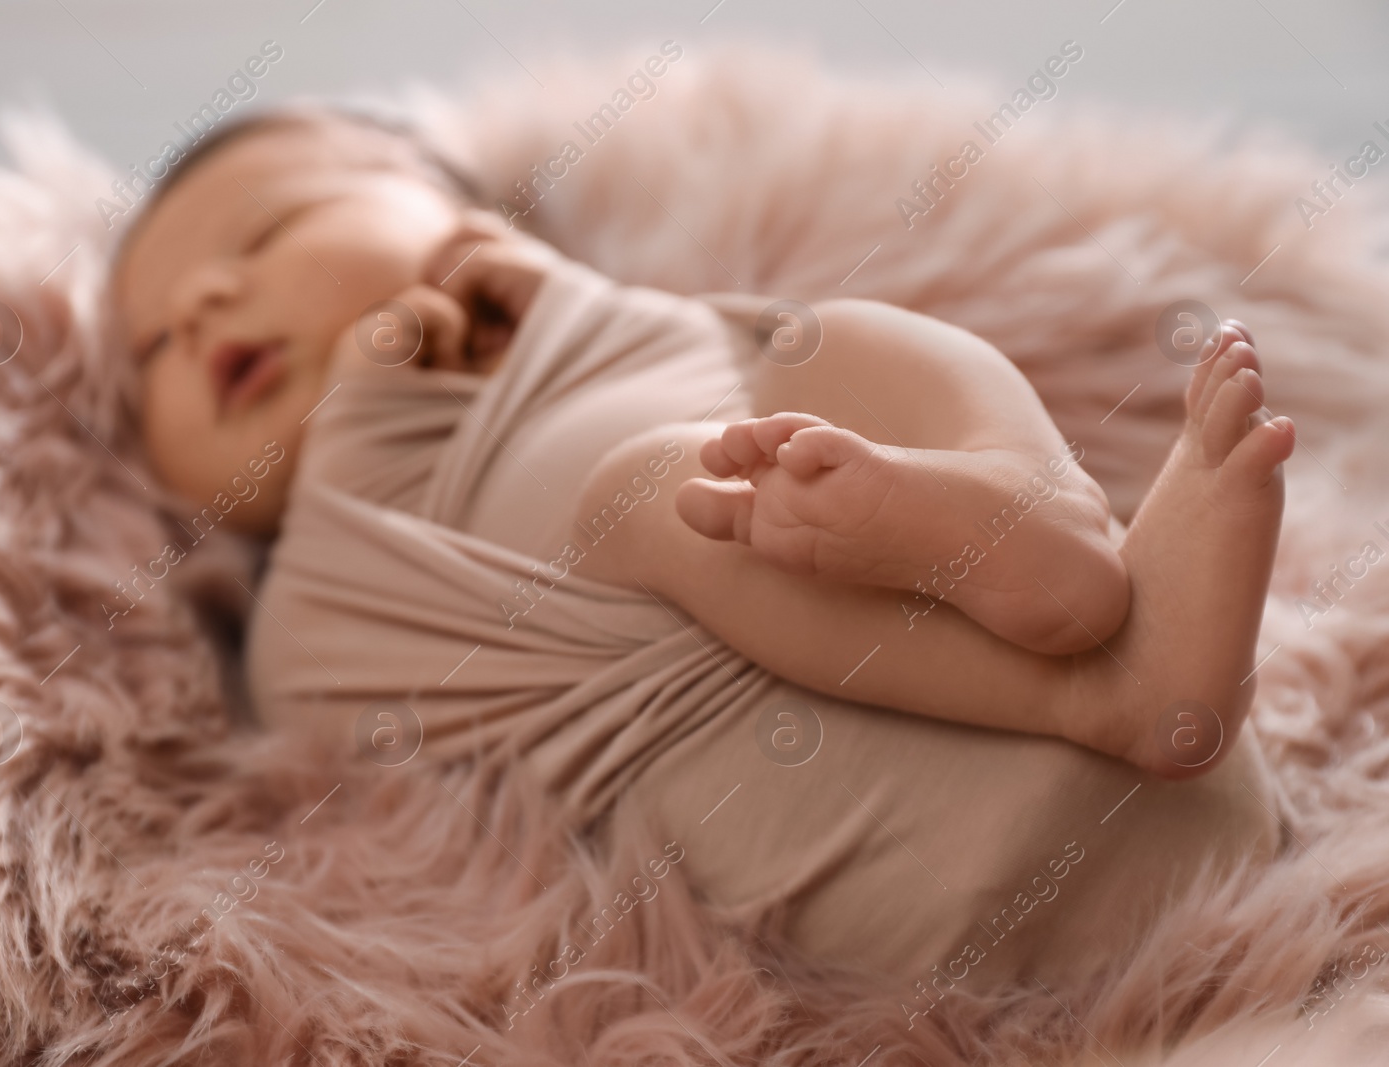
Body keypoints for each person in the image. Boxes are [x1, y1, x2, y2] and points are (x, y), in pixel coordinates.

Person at [110, 103, 1288, 983]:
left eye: (267, 229)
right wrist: (378, 391)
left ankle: (1039, 518)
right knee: (657, 490)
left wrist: (541, 298)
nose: (208, 303)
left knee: (838, 338)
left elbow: (747, 354)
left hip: (1195, 827)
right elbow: (378, 810)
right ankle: (1107, 683)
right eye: (157, 342)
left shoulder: (618, 321)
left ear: (461, 220)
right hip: (975, 893)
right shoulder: (314, 609)